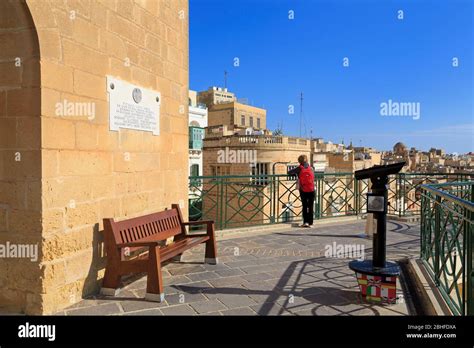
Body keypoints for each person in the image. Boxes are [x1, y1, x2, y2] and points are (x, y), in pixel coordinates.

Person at [288, 155, 315, 227]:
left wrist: (296, 175)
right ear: (307, 160)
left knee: (305, 206)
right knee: (311, 206)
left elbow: (289, 172)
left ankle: (305, 222)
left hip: (303, 190)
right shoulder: (311, 168)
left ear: (299, 161)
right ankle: (311, 223)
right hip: (311, 189)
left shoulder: (299, 168)